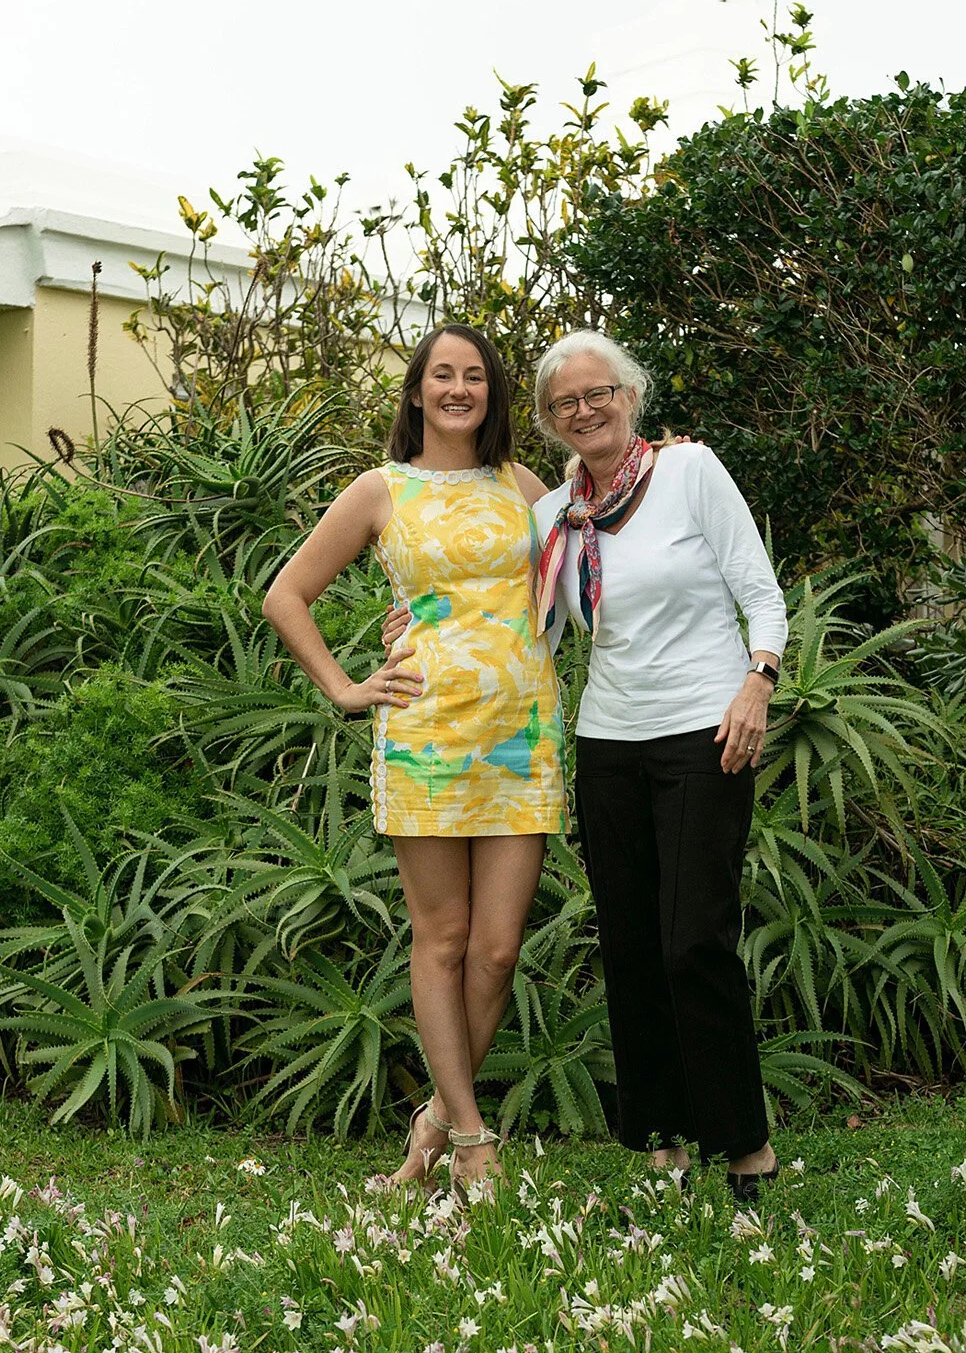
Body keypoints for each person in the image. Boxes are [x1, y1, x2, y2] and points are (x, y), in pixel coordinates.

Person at [262, 323, 564, 1196]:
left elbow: (579, 580)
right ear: (417, 390)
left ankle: (430, 1122)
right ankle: (470, 1138)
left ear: (493, 392)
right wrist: (347, 686)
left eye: (474, 376)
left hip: (523, 737)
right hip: (427, 736)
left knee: (499, 949)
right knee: (442, 937)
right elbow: (286, 593)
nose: (458, 389)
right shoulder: (380, 489)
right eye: (443, 375)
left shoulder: (523, 485)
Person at [529, 329, 785, 1200]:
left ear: (630, 394)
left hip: (704, 731)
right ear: (551, 421)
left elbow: (760, 591)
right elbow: (511, 619)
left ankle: (745, 1148)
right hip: (608, 741)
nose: (586, 409)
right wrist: (415, 626)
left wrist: (758, 682)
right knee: (633, 946)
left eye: (599, 392)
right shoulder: (557, 515)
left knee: (694, 943)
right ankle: (660, 1145)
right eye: (567, 402)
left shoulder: (690, 472)